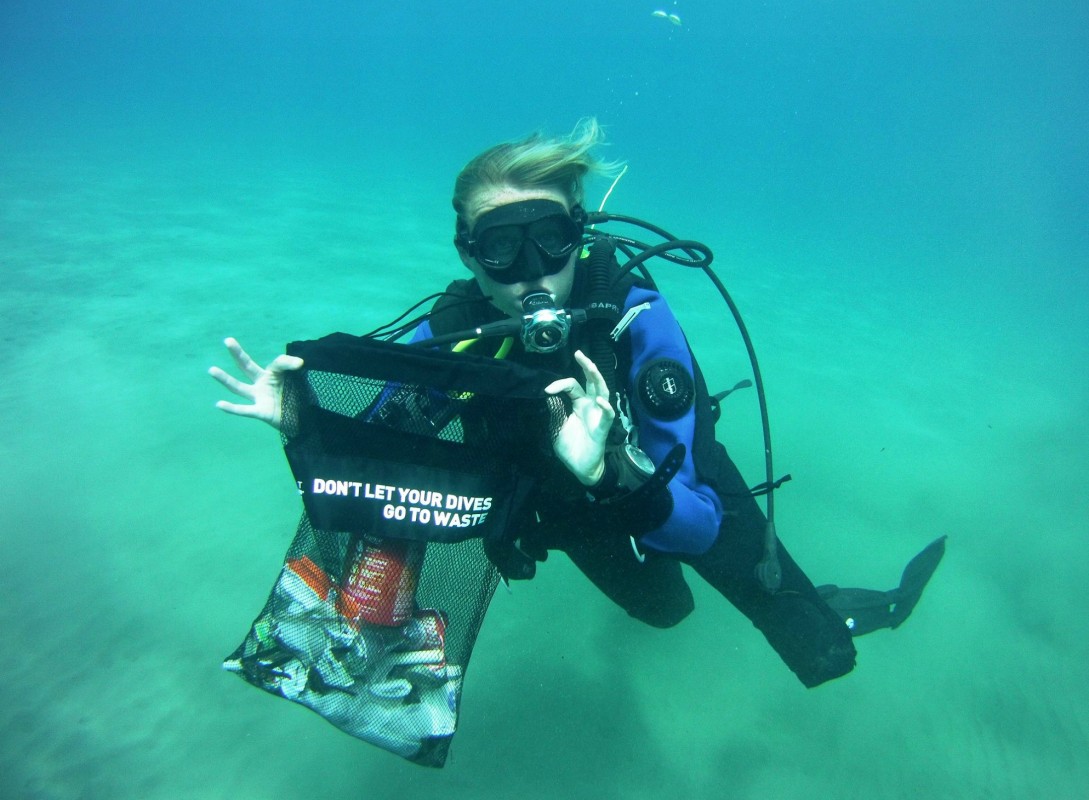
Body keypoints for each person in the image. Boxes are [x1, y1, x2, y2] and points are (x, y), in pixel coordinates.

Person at [210, 118, 945, 690]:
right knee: (666, 612)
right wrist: (304, 418)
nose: (531, 272)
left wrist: (618, 470)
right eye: (502, 249)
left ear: (579, 234)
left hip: (668, 481)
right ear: (468, 255)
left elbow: (695, 521)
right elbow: (380, 442)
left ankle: (842, 605)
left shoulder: (634, 319)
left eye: (551, 240)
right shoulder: (455, 333)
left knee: (790, 616)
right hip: (563, 513)